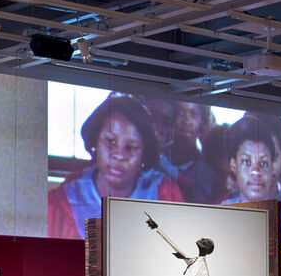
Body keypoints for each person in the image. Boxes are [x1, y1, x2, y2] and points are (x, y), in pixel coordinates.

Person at [48, 95, 182, 239]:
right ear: (95, 143)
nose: (118, 155)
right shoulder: (61, 203)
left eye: (130, 147)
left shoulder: (166, 195)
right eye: (111, 141)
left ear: (143, 154)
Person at [217, 114, 281, 242]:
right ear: (233, 164)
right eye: (246, 162)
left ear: (272, 167)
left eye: (263, 163)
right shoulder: (215, 216)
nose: (256, 171)